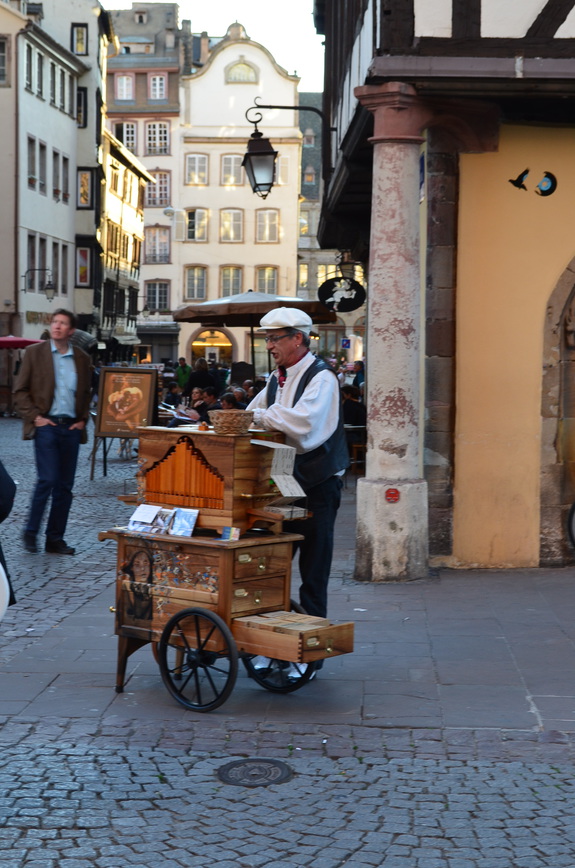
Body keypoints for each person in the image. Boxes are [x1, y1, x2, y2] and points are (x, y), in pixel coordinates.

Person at [247, 307, 349, 620]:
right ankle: (271, 641)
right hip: (285, 484)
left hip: (319, 484)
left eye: (275, 338)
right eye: (267, 338)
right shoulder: (276, 380)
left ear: (298, 339)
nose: (269, 346)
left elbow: (305, 426)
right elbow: (253, 412)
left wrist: (260, 417)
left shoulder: (322, 377)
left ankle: (309, 654)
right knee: (272, 564)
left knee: (313, 571)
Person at [13, 309, 92, 556]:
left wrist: (83, 420)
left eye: (63, 323)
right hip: (47, 425)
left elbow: (87, 392)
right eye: (55, 322)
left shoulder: (81, 358)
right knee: (47, 479)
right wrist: (35, 417)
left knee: (65, 486)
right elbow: (20, 391)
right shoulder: (35, 354)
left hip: (70, 427)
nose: (57, 326)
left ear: (71, 331)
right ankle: (30, 531)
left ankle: (54, 539)